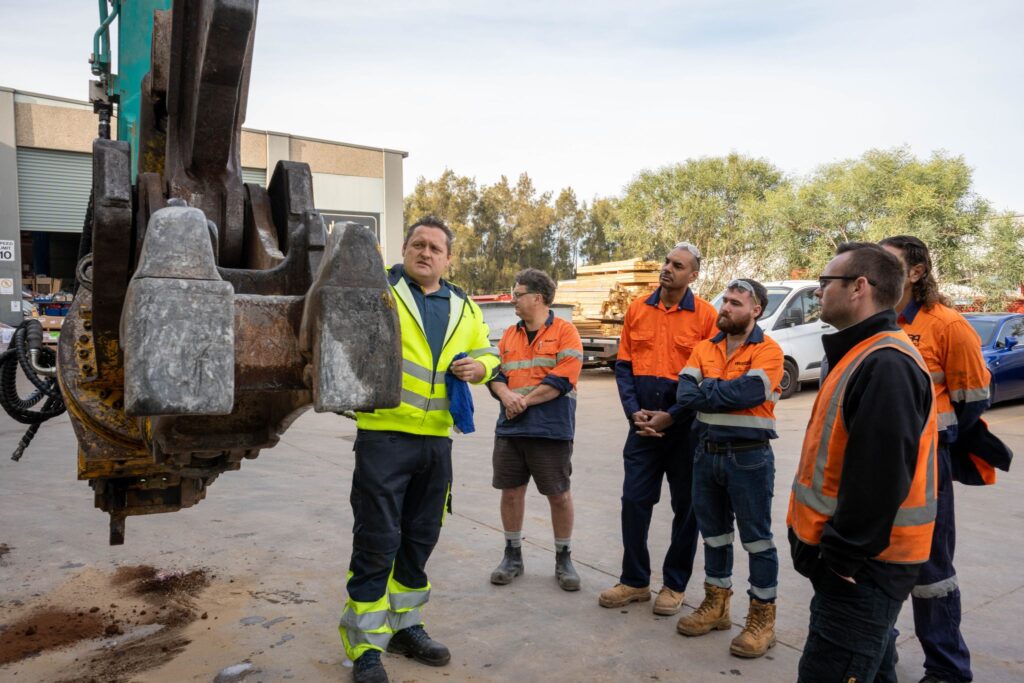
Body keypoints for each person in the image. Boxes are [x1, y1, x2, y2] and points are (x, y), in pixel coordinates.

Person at [341, 216, 500, 683]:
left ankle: (406, 627)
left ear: (448, 259)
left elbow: (489, 351)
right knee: (377, 541)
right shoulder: (379, 291)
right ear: (405, 249)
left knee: (419, 539)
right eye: (417, 244)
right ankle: (365, 646)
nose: (425, 252)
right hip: (384, 435)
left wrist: (483, 368)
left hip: (435, 441)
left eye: (435, 247)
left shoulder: (464, 306)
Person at [788, 242, 937, 683]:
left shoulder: (885, 363)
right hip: (860, 565)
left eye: (824, 283)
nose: (818, 292)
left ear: (858, 287)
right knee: (872, 668)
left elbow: (880, 477)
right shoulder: (863, 352)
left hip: (863, 570)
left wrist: (840, 559)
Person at [880, 235, 1010, 683]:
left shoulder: (948, 326)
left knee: (931, 569)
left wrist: (935, 436)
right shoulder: (876, 321)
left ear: (916, 273)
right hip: (878, 462)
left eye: (890, 263)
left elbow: (973, 400)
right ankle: (879, 658)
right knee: (878, 562)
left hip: (925, 464)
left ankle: (948, 670)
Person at [598, 242, 718, 617]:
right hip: (642, 424)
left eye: (678, 265)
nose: (668, 269)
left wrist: (674, 415)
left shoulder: (706, 316)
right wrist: (634, 413)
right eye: (667, 262)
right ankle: (634, 581)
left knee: (687, 508)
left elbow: (709, 375)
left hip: (685, 428)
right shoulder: (638, 309)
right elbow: (624, 367)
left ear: (693, 275)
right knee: (634, 501)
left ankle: (674, 584)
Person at [675, 278, 784, 658]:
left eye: (736, 303)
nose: (725, 308)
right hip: (707, 452)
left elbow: (750, 393)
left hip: (749, 456)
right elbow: (684, 393)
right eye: (725, 301)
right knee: (715, 535)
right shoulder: (704, 347)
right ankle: (717, 607)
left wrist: (710, 392)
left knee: (757, 539)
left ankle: (761, 619)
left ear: (756, 310)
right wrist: (720, 394)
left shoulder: (770, 351)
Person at [487, 268, 585, 591]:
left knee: (558, 495)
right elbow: (496, 374)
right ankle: (512, 554)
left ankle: (563, 557)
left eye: (517, 294)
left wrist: (521, 402)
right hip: (511, 430)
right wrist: (505, 395)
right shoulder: (508, 335)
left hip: (550, 430)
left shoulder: (566, 333)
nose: (513, 300)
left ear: (537, 298)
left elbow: (562, 379)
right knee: (511, 492)